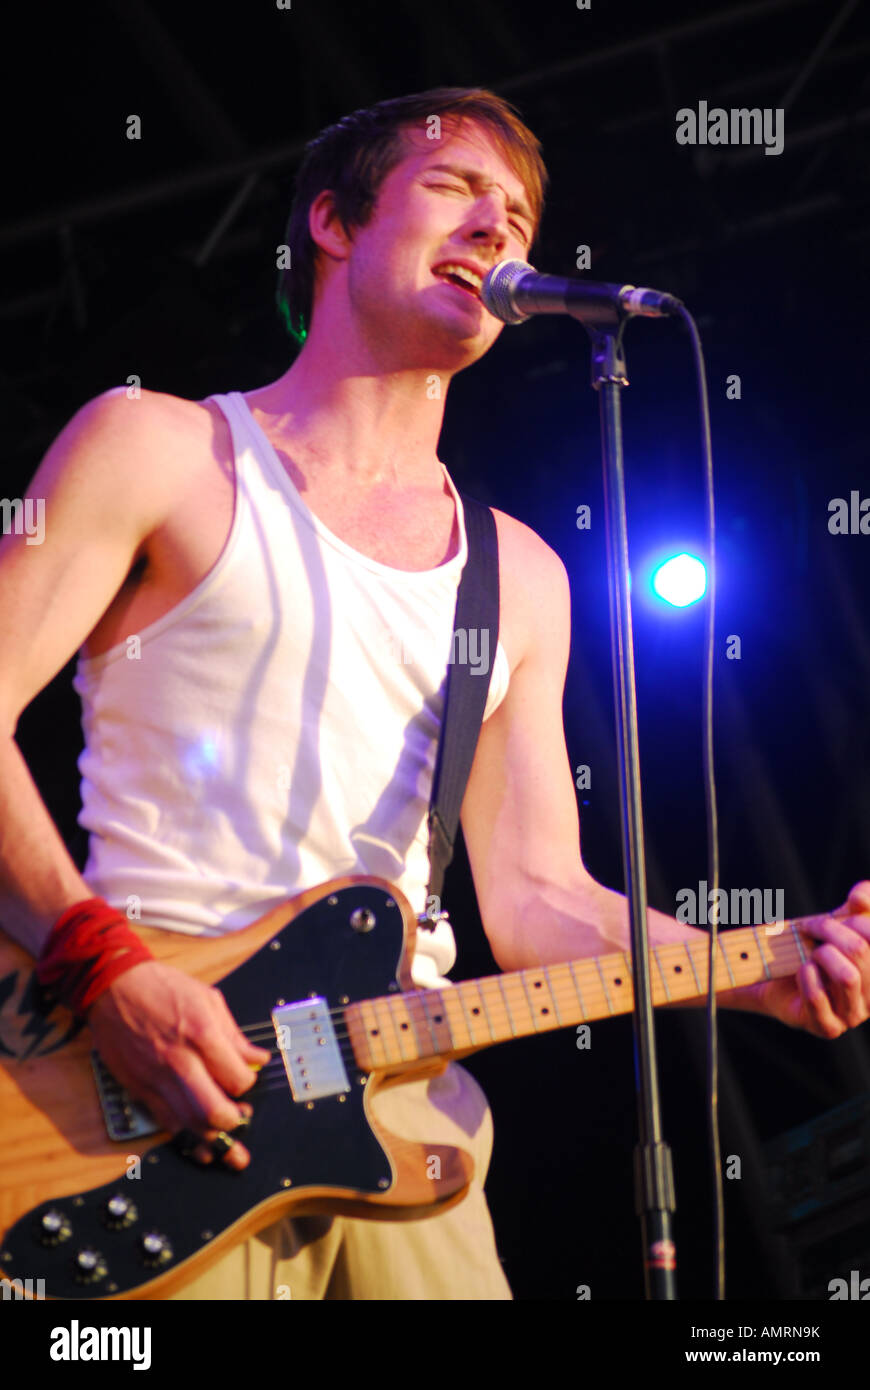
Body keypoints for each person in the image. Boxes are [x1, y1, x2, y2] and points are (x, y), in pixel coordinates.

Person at [1, 86, 868, 1301]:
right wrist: (99, 966)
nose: (495, 228)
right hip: (146, 1070)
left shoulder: (521, 574)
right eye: (455, 188)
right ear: (334, 225)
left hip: (407, 1118)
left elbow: (537, 896)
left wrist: (753, 962)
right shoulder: (158, 448)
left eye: (515, 214)